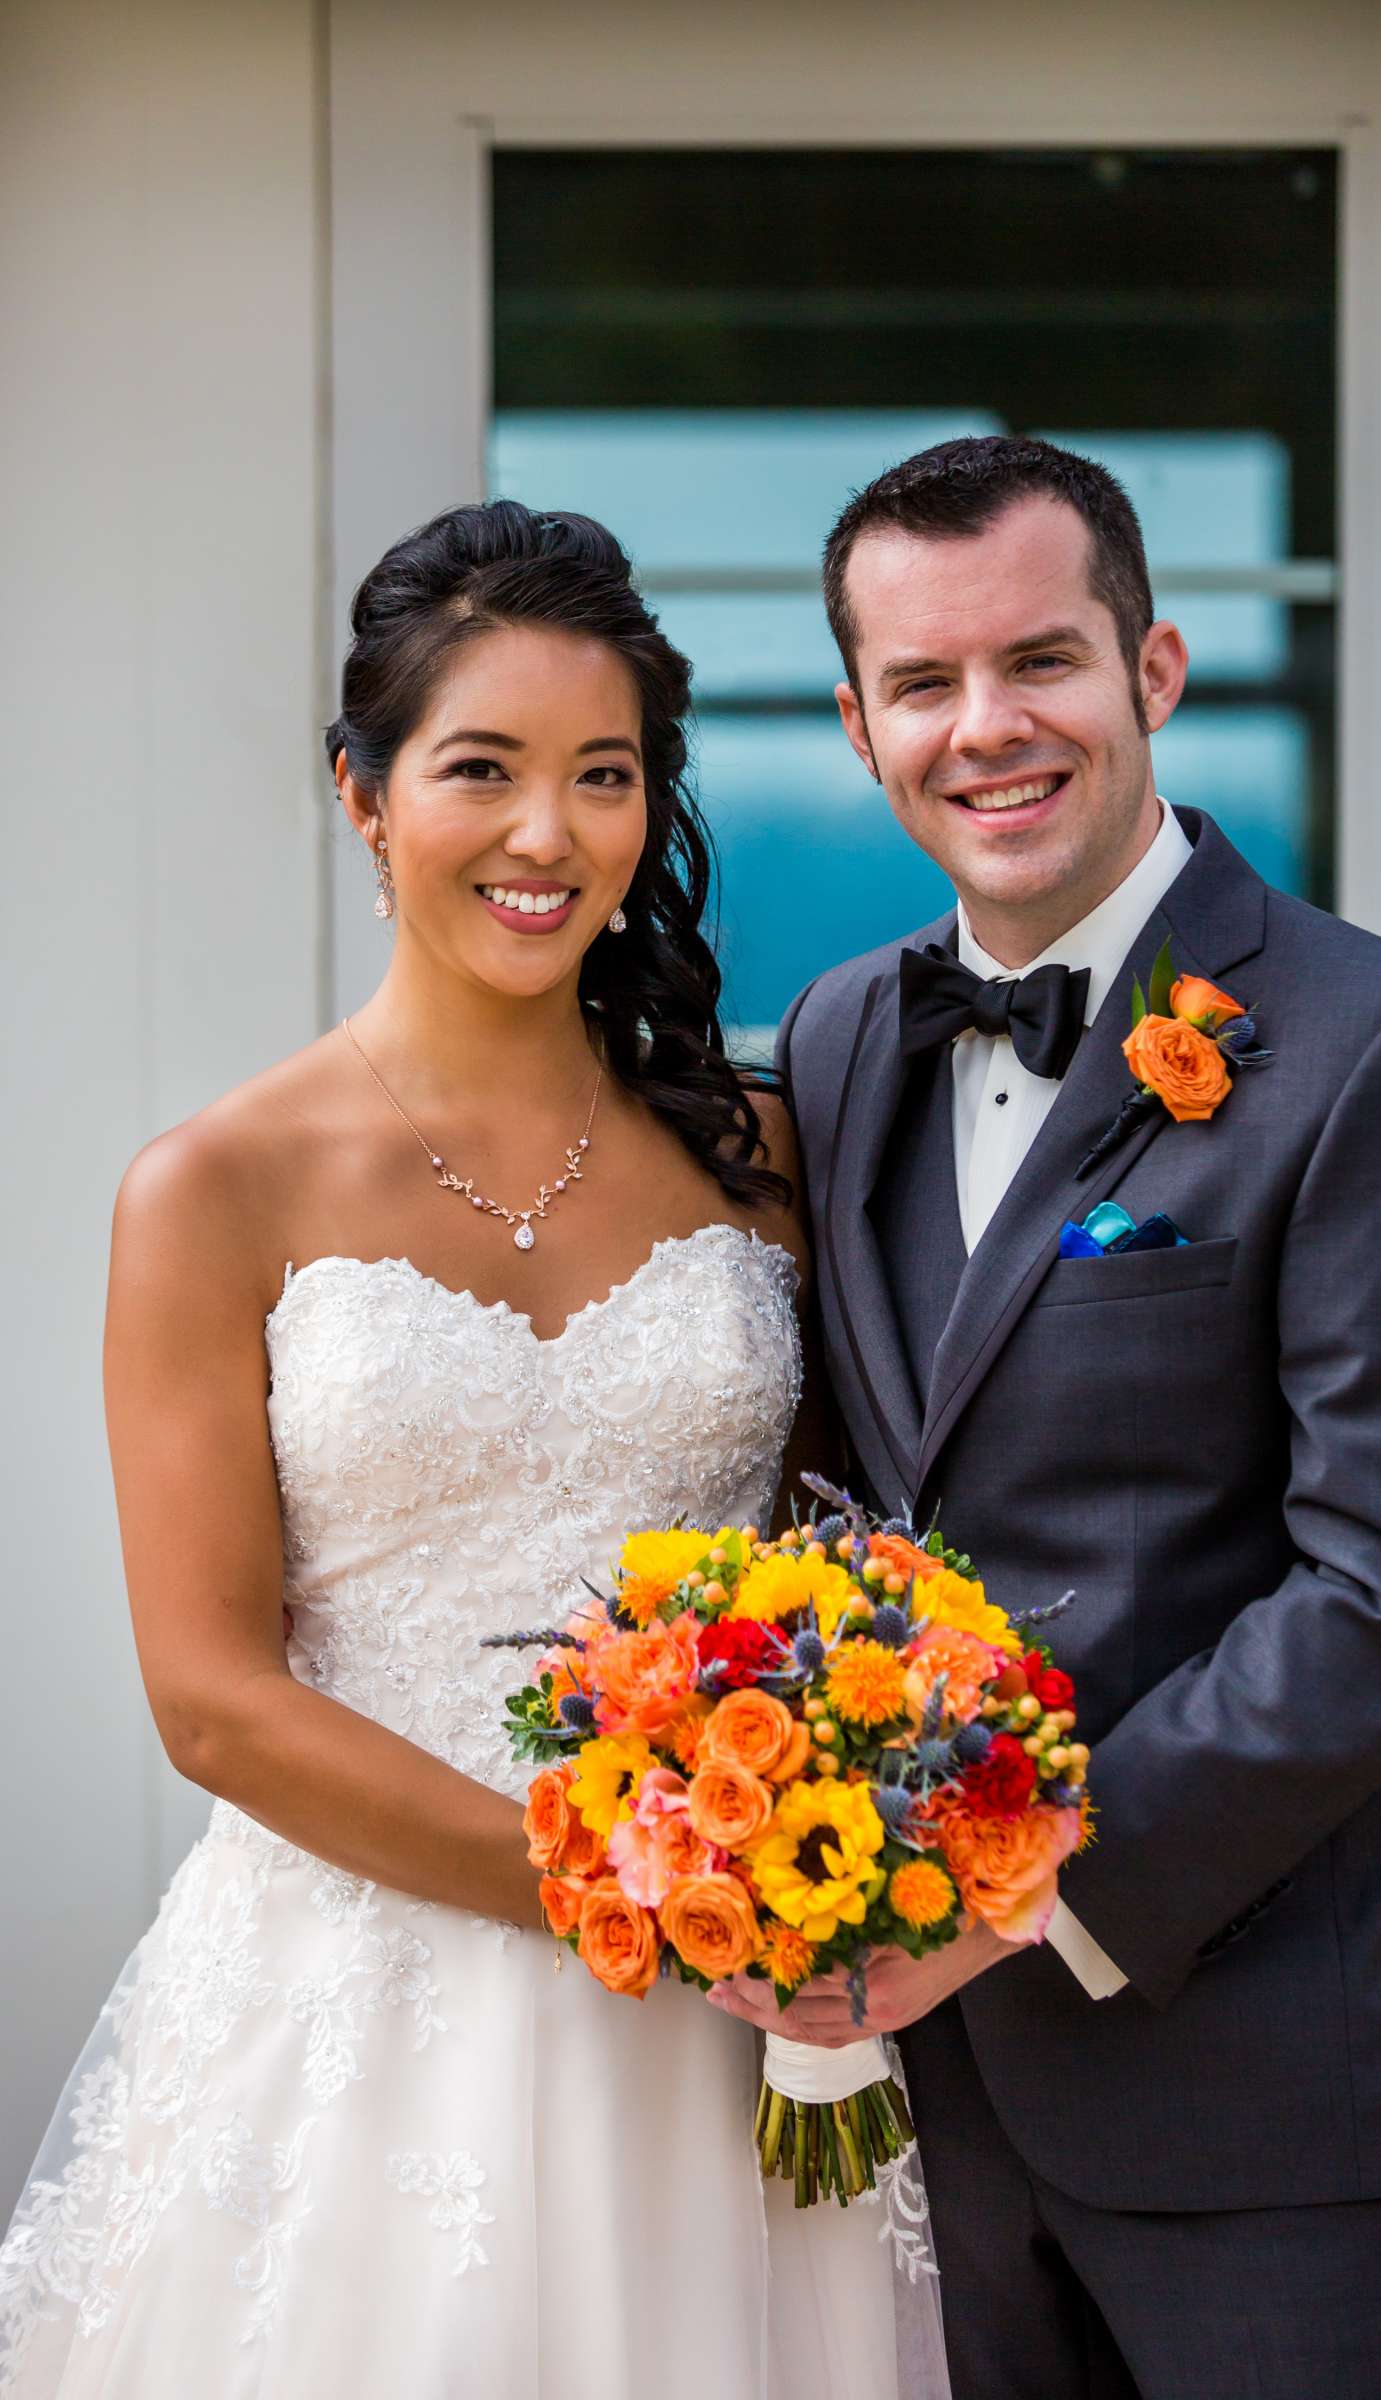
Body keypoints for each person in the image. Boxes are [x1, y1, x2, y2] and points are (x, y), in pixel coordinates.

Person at [0, 501, 915, 2398]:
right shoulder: (214, 1188)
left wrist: (801, 1865)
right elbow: (211, 1700)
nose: (544, 835)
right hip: (360, 2004)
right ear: (362, 792)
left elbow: (847, 1561)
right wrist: (632, 1901)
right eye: (478, 769)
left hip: (740, 2012)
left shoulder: (764, 1159)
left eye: (603, 777)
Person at [715, 435, 1381, 2398]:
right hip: (936, 2107)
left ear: (1154, 669)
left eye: (1038, 660)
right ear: (856, 726)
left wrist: (1015, 1895)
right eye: (921, 684)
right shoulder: (847, 1029)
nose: (985, 728)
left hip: (1297, 2093)